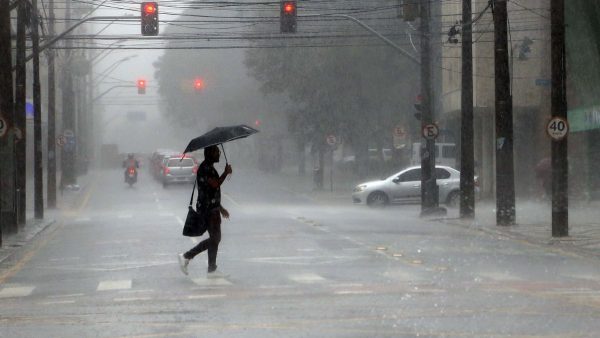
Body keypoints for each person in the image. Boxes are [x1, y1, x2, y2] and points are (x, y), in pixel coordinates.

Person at [178, 145, 232, 277]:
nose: (219, 154)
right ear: (209, 154)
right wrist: (225, 173)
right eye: (216, 152)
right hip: (207, 209)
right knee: (215, 238)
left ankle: (212, 269)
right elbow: (214, 184)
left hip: (212, 208)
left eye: (219, 152)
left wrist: (220, 208)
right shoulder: (205, 169)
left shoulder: (209, 167)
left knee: (215, 238)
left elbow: (211, 192)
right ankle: (186, 256)